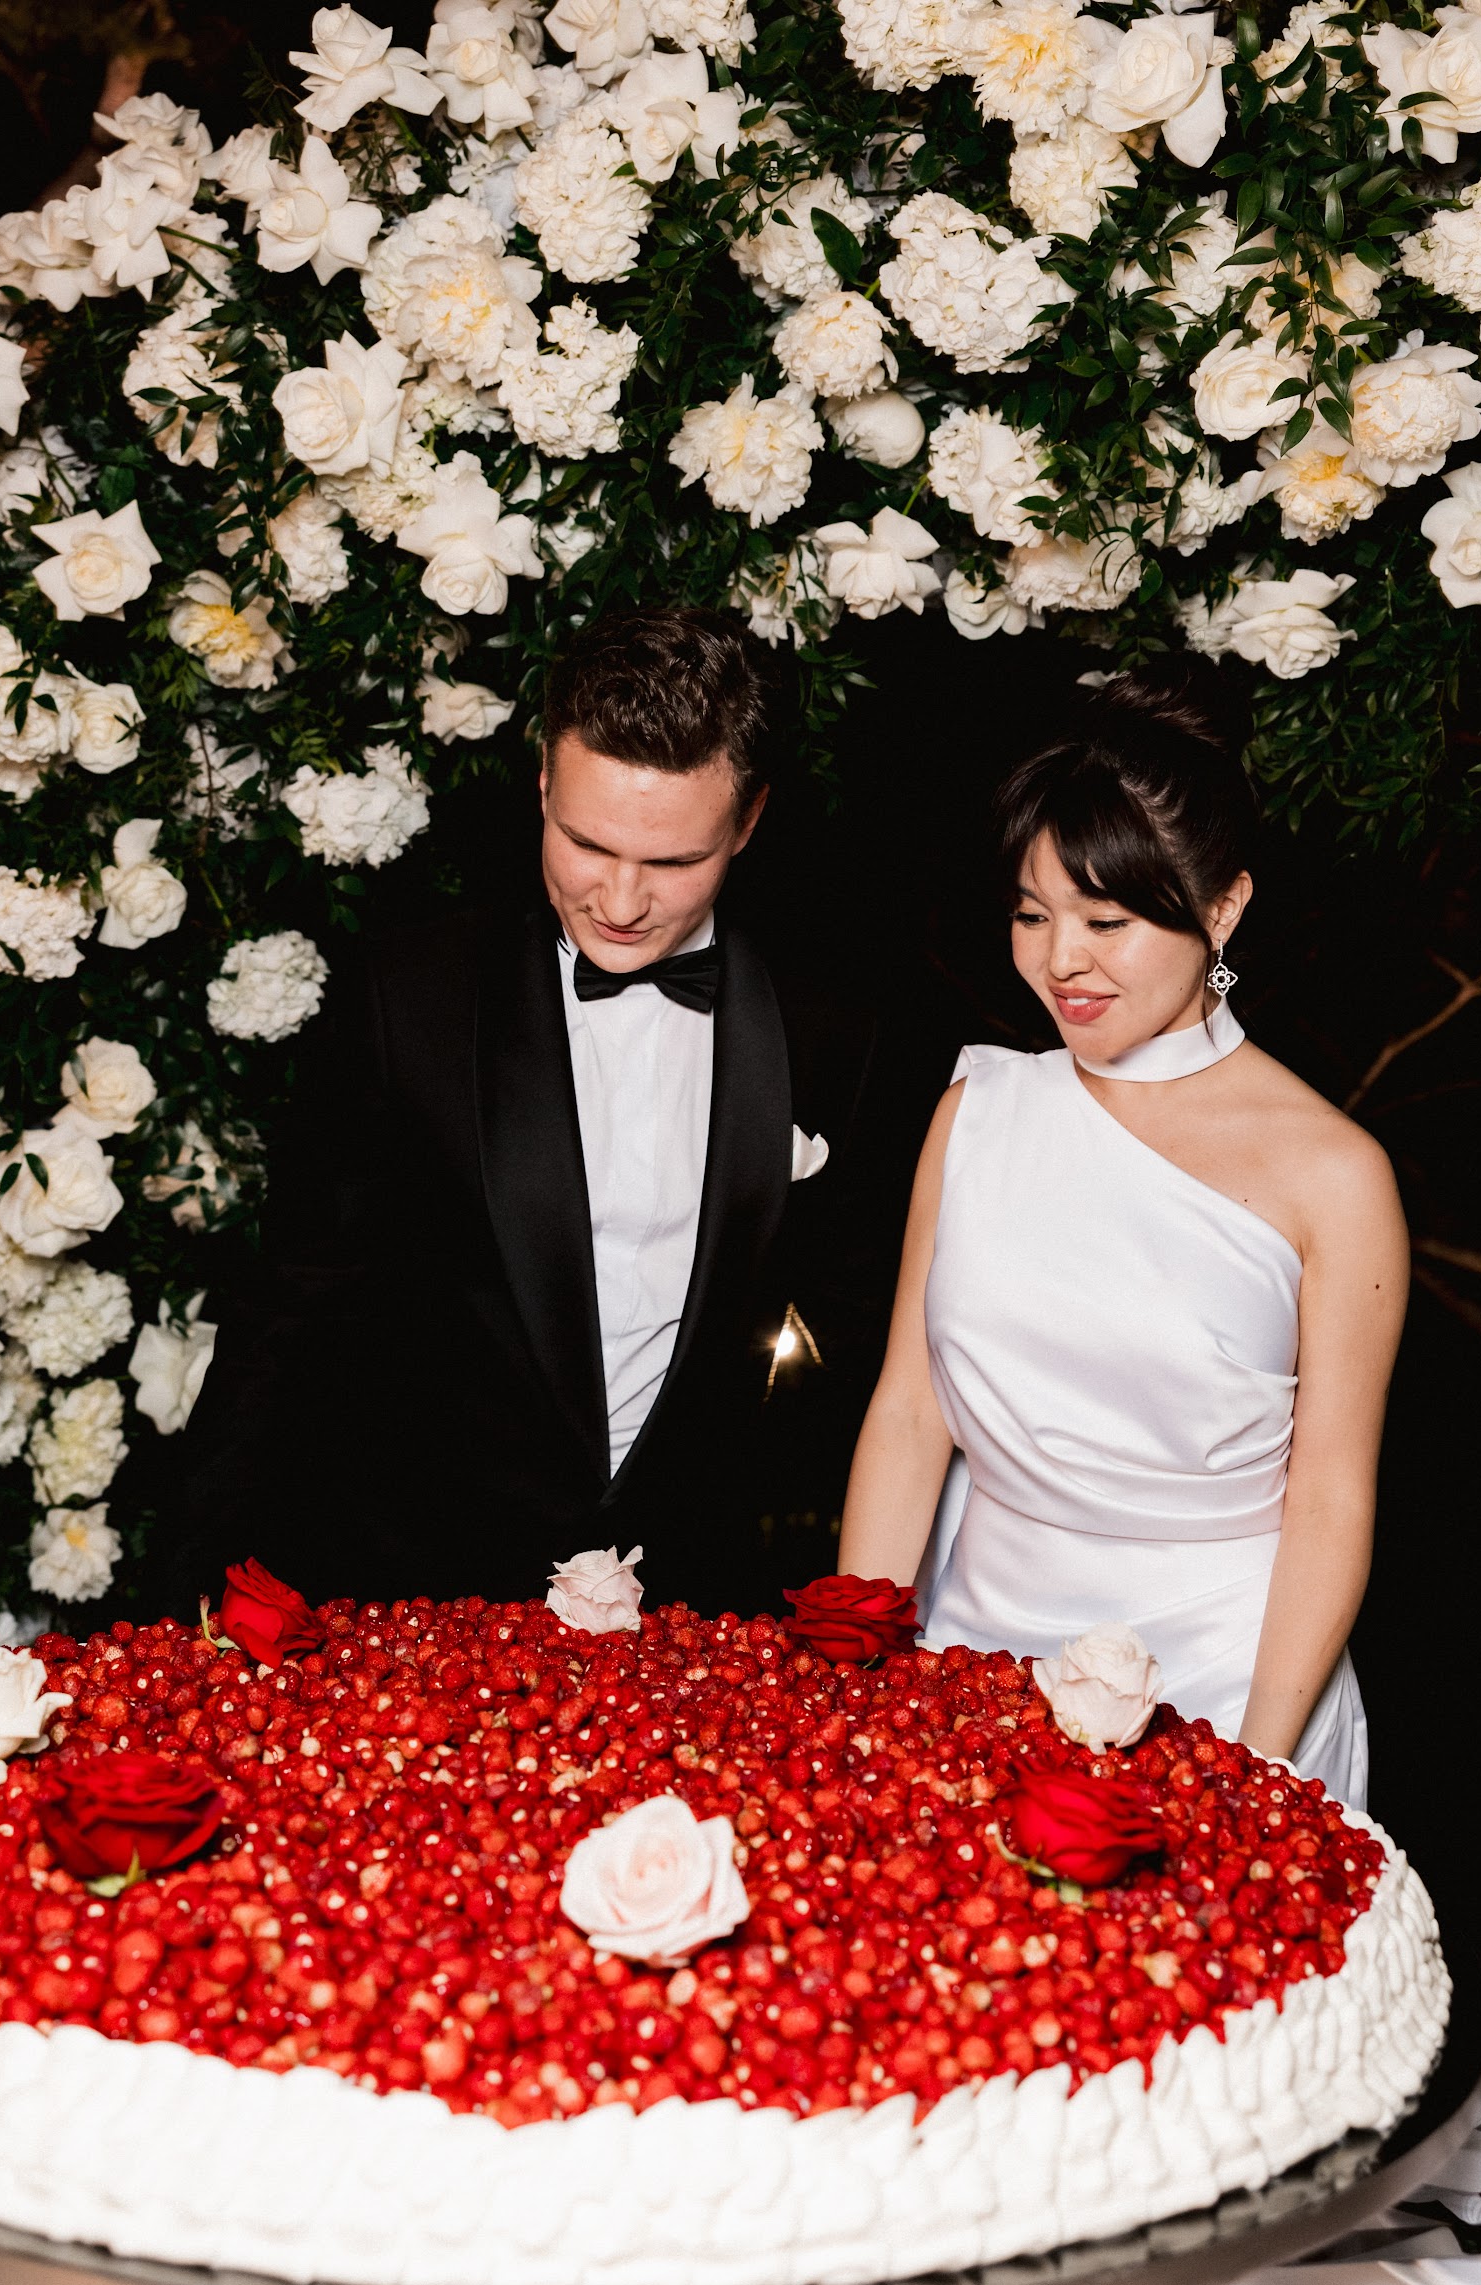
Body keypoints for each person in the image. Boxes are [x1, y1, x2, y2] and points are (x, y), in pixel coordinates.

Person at [158, 608, 899, 1615]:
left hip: (697, 1615)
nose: (622, 902)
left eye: (674, 862)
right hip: (418, 1600)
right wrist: (186, 1604)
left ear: (748, 822)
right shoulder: (404, 1000)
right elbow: (285, 1318)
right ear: (544, 782)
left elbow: (862, 1351)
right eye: (586, 843)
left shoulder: (832, 1027)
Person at [837, 665, 1408, 1805]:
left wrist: (1260, 1764)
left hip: (1226, 1680)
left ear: (1223, 909)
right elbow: (909, 1412)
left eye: (1107, 921)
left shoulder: (1335, 1176)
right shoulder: (977, 1111)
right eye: (1032, 914)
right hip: (968, 1653)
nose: (1061, 961)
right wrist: (853, 1677)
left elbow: (1330, 1500)